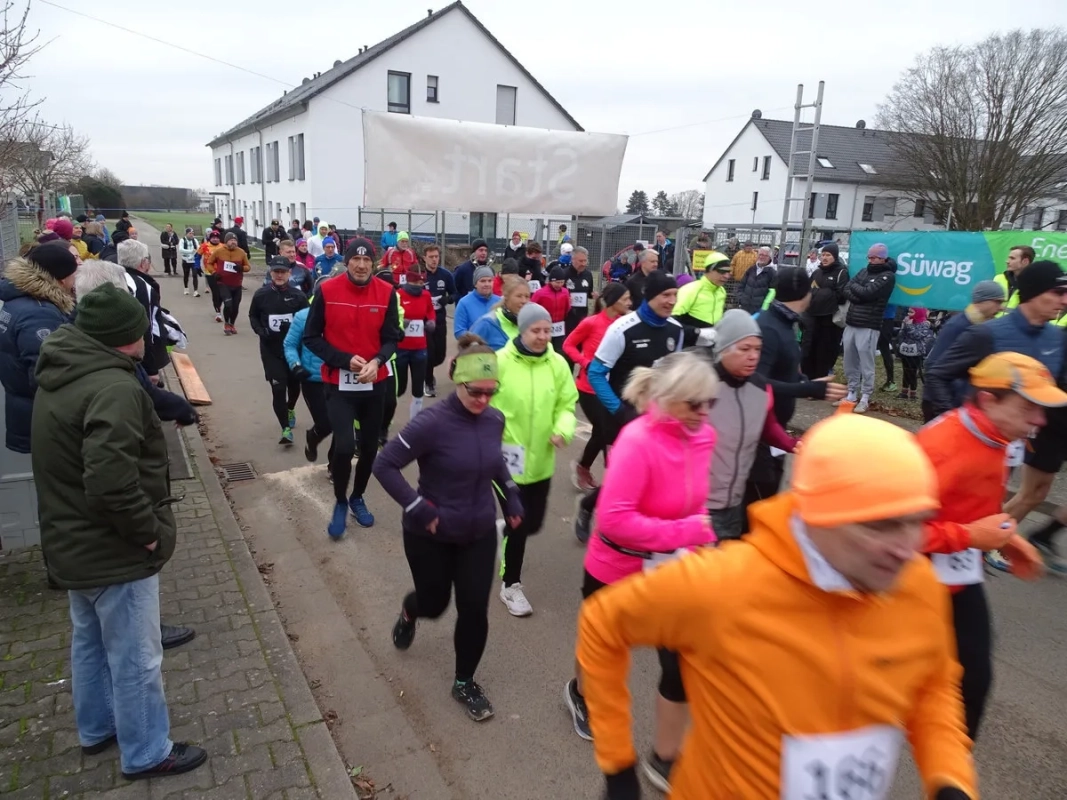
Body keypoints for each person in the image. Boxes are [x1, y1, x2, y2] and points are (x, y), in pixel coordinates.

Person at [578, 413, 978, 800]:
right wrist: (617, 764)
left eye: (917, 521)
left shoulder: (918, 583)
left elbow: (932, 683)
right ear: (816, 514)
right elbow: (602, 624)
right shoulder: (722, 585)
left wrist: (949, 779)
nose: (905, 548)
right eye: (879, 525)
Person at [31, 282, 208, 781]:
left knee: (88, 641)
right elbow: (110, 481)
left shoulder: (63, 369)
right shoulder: (114, 387)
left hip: (72, 539)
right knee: (136, 657)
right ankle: (147, 750)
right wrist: (147, 533)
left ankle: (97, 728)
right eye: (139, 331)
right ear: (125, 338)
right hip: (112, 548)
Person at [566, 351, 718, 785]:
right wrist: (688, 530)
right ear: (668, 398)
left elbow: (701, 497)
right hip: (617, 563)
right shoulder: (637, 440)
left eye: (710, 403)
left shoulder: (704, 434)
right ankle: (579, 692)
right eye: (695, 404)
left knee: (680, 663)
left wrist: (701, 535)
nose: (705, 413)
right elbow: (614, 519)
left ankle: (664, 756)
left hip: (672, 569)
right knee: (604, 652)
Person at [374, 335, 524, 722]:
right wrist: (416, 505)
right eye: (476, 392)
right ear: (458, 381)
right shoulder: (430, 423)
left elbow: (495, 463)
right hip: (430, 533)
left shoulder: (494, 418)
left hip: (477, 531)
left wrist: (511, 497)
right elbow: (384, 465)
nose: (484, 400)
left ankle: (464, 681)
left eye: (492, 392)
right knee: (435, 603)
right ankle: (410, 612)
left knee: (474, 609)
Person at [917, 352, 1058, 744]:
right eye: (1028, 407)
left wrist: (1008, 538)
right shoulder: (940, 448)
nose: (1040, 420)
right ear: (988, 400)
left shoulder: (995, 437)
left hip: (958, 576)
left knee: (974, 680)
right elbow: (893, 535)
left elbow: (974, 507)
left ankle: (954, 776)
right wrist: (970, 538)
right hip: (908, 587)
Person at [924, 260, 1067, 563]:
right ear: (1033, 293)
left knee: (1000, 501)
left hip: (1019, 439)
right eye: (1057, 292)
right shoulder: (987, 334)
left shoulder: (1058, 339)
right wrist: (955, 421)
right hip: (972, 440)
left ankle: (981, 549)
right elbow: (937, 372)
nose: (1064, 300)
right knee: (946, 508)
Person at [575, 272, 716, 542]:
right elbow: (595, 373)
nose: (672, 301)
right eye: (666, 295)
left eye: (675, 295)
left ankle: (641, 526)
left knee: (653, 474)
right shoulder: (622, 328)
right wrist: (619, 410)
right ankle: (601, 521)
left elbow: (674, 373)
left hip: (658, 415)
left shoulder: (675, 329)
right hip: (619, 414)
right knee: (623, 475)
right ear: (650, 296)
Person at [303, 237, 401, 537]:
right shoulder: (327, 291)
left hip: (374, 383)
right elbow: (311, 337)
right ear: (347, 261)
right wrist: (344, 360)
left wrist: (379, 360)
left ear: (374, 263)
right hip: (338, 383)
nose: (361, 265)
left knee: (370, 448)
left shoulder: (386, 292)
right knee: (345, 446)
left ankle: (358, 496)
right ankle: (341, 501)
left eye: (367, 260)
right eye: (355, 260)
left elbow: (392, 336)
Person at [491, 303, 578, 616]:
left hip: (541, 459)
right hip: (505, 459)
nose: (542, 336)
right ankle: (510, 585)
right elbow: (479, 399)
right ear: (522, 331)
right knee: (518, 522)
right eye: (535, 330)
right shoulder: (499, 361)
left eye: (546, 330)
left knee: (533, 523)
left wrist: (562, 430)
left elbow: (567, 405)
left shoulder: (557, 364)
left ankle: (505, 532)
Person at [750, 268, 847, 504]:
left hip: (776, 435)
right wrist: (807, 390)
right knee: (757, 510)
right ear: (804, 295)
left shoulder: (784, 322)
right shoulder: (769, 328)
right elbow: (755, 385)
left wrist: (805, 382)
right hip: (760, 437)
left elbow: (783, 371)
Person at [706, 310, 797, 540]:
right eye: (745, 349)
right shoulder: (701, 386)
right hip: (698, 505)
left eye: (757, 349)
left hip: (736, 500)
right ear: (723, 348)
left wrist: (793, 444)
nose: (753, 356)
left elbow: (768, 426)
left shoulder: (760, 388)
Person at [0, 243, 78, 453]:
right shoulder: (39, 313)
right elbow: (47, 375)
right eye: (73, 275)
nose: (74, 282)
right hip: (44, 420)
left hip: (24, 410)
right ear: (61, 279)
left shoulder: (17, 299)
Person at [563, 283, 631, 493]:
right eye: (625, 299)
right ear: (613, 301)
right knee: (604, 431)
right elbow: (568, 345)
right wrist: (585, 363)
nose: (630, 303)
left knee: (606, 432)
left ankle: (585, 467)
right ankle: (612, 480)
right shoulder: (591, 323)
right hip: (589, 388)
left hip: (614, 387)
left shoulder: (625, 324)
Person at [921, 280, 1006, 422]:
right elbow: (934, 364)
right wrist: (946, 408)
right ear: (982, 301)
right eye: (997, 302)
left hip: (956, 403)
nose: (1001, 308)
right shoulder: (959, 325)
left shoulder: (977, 326)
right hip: (942, 404)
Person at [249, 257, 310, 445]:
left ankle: (290, 407)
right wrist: (261, 331)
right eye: (276, 271)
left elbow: (308, 319)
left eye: (283, 271)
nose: (280, 275)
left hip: (292, 350)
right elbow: (253, 315)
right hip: (271, 350)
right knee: (278, 389)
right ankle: (285, 429)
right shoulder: (261, 294)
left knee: (293, 387)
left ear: (289, 273)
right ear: (271, 273)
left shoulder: (298, 296)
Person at [841, 242, 897, 413]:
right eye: (870, 257)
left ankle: (865, 397)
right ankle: (851, 393)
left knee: (866, 363)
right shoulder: (864, 271)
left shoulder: (888, 276)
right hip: (851, 322)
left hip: (869, 325)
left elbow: (868, 293)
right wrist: (861, 295)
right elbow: (847, 288)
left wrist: (859, 293)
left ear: (884, 258)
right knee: (849, 361)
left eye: (876, 257)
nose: (872, 260)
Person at [284, 296, 331, 462]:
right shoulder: (303, 316)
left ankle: (335, 466)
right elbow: (290, 344)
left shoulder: (348, 316)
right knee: (325, 424)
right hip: (313, 379)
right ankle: (313, 438)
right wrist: (296, 365)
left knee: (342, 426)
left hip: (340, 377)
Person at [116, 239, 170, 381]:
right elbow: (147, 327)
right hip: (136, 358)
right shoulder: (142, 286)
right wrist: (152, 368)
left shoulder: (114, 279)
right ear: (143, 262)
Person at [389, 262, 436, 420]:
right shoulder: (399, 295)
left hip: (420, 348)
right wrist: (402, 322)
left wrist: (431, 321)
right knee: (399, 388)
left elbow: (430, 311)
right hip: (401, 348)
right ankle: (387, 419)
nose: (419, 286)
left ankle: (414, 422)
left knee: (418, 387)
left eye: (421, 283)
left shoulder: (426, 295)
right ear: (408, 281)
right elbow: (393, 318)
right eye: (416, 283)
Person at [802, 242, 850, 381]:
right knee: (809, 349)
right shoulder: (817, 272)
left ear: (834, 256)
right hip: (812, 317)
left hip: (829, 319)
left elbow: (841, 295)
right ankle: (807, 381)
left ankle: (819, 383)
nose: (824, 258)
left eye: (828, 255)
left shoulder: (841, 272)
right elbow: (808, 291)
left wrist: (820, 294)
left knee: (824, 352)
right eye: (823, 255)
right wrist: (823, 293)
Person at [422, 244, 455, 397]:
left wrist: (446, 299)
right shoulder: (420, 275)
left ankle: (427, 370)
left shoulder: (446, 275)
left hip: (440, 320)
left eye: (436, 257)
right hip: (425, 321)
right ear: (424, 258)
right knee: (429, 352)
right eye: (431, 257)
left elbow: (455, 294)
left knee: (439, 355)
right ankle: (428, 382)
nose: (434, 260)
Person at [206, 232, 252, 335]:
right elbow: (209, 263)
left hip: (237, 284)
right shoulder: (219, 251)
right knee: (228, 304)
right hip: (223, 283)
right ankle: (226, 323)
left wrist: (241, 268)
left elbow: (248, 267)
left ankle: (232, 324)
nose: (233, 242)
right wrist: (214, 272)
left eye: (235, 240)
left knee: (235, 307)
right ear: (226, 241)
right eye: (231, 240)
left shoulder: (241, 252)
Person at [470, 274, 529, 350]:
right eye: (519, 296)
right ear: (506, 296)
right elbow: (467, 354)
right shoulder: (487, 323)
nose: (524, 301)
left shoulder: (530, 324)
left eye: (527, 296)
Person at [671, 251, 729, 327]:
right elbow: (672, 320)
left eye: (728, 272)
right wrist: (696, 332)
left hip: (713, 337)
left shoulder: (722, 291)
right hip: (691, 337)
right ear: (709, 270)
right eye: (722, 272)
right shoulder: (690, 289)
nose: (726, 276)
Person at [896, 307, 936, 400]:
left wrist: (909, 326)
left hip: (917, 352)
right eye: (908, 311)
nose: (909, 314)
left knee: (913, 372)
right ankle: (904, 392)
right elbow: (901, 335)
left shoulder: (925, 324)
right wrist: (904, 326)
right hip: (906, 350)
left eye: (911, 312)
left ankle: (913, 393)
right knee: (905, 371)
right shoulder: (908, 321)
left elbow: (918, 335)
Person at [531, 266, 571, 354]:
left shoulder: (565, 292)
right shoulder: (540, 293)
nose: (559, 285)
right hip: (545, 327)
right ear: (551, 281)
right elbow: (532, 308)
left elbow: (567, 308)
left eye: (562, 282)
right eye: (557, 282)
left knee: (559, 351)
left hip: (559, 328)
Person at [454, 266, 499, 339]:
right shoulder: (464, 303)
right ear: (475, 284)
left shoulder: (499, 302)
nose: (487, 284)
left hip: (497, 349)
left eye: (490, 281)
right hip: (474, 348)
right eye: (483, 281)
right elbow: (459, 332)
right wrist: (476, 340)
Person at [563, 245, 596, 336]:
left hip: (582, 316)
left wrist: (594, 295)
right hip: (567, 317)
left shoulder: (588, 275)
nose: (583, 264)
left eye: (585, 261)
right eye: (580, 261)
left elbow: (589, 293)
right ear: (573, 259)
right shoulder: (564, 274)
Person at [734, 246, 777, 314]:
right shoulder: (751, 269)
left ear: (769, 258)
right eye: (760, 254)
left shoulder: (772, 273)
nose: (762, 257)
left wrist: (765, 307)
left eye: (765, 255)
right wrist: (741, 299)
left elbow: (773, 294)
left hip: (760, 311)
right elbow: (741, 285)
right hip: (745, 308)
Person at [993, 244, 1034, 315]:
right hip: (995, 324)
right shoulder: (998, 278)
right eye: (1009, 258)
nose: (1007, 261)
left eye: (1012, 258)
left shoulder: (1035, 285)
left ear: (1025, 262)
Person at [199, 230, 224, 321]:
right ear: (210, 238)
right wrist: (197, 266)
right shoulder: (204, 246)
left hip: (222, 273)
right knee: (216, 292)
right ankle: (218, 312)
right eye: (213, 238)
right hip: (210, 273)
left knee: (221, 293)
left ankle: (219, 306)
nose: (215, 239)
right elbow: (197, 256)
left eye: (217, 238)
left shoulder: (223, 246)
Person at [876, 303, 898, 392]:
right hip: (877, 318)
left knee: (884, 349)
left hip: (886, 319)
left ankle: (890, 381)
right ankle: (859, 378)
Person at [178, 227, 200, 297]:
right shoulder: (182, 240)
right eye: (190, 233)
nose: (191, 235)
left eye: (192, 233)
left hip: (193, 260)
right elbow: (181, 249)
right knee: (186, 274)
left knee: (194, 274)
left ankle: (195, 291)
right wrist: (190, 251)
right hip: (185, 260)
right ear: (186, 234)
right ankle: (186, 288)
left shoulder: (195, 240)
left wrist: (196, 251)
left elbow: (198, 248)